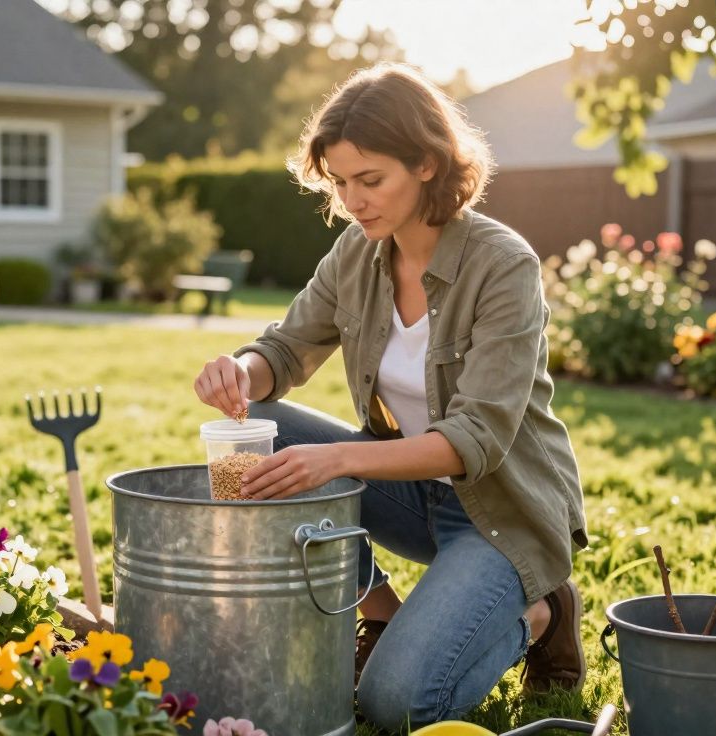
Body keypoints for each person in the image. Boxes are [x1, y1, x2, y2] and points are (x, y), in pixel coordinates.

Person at [191, 63, 589, 732]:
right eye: (341, 183)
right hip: (411, 494)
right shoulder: (356, 255)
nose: (353, 200)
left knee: (395, 705)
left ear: (428, 164)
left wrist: (339, 461)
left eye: (370, 180)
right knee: (260, 423)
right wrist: (240, 368)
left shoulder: (502, 265)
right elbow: (285, 351)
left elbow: (477, 441)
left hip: (501, 513)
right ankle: (380, 615)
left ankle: (542, 615)